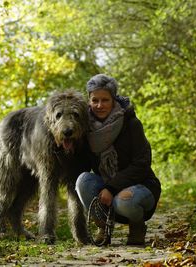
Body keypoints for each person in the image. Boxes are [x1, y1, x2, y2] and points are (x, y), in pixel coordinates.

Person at [75, 74, 161, 246]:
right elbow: (82, 163)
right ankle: (103, 227)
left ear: (113, 99)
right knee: (83, 180)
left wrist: (110, 187)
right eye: (95, 100)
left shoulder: (131, 123)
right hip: (108, 186)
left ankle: (137, 227)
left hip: (141, 186)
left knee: (123, 201)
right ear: (89, 100)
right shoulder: (86, 128)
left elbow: (142, 164)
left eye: (105, 100)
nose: (99, 105)